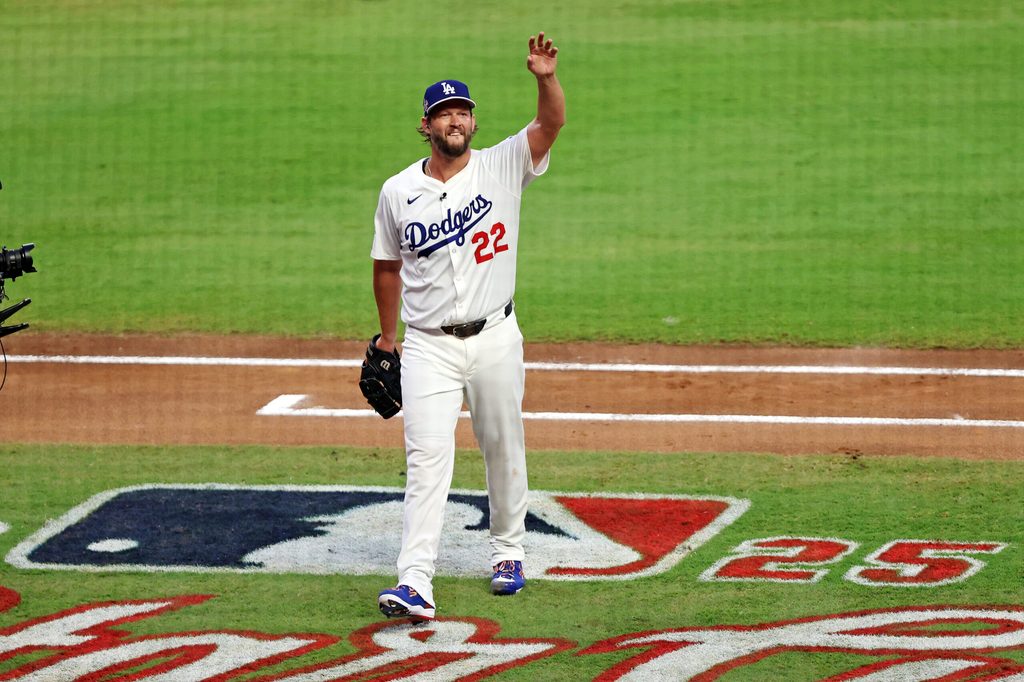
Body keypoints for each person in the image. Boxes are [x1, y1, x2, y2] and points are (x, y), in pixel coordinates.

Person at [368, 33, 565, 620]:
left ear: (473, 123)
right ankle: (415, 580)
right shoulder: (398, 192)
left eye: (462, 111)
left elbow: (550, 125)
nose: (454, 120)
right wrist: (386, 338)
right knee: (427, 457)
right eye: (442, 113)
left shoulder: (503, 164)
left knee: (502, 445)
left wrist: (544, 78)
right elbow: (385, 267)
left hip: (496, 338)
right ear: (425, 126)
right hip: (428, 345)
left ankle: (508, 550)